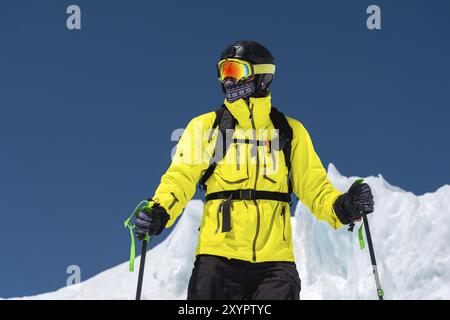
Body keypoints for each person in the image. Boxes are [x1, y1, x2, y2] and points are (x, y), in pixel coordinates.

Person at [134, 40, 374, 300]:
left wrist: (344, 207)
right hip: (217, 262)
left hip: (275, 267)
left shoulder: (290, 132)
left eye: (234, 71)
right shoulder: (206, 127)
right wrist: (159, 210)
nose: (226, 81)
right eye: (222, 72)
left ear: (261, 76)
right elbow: (180, 177)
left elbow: (314, 187)